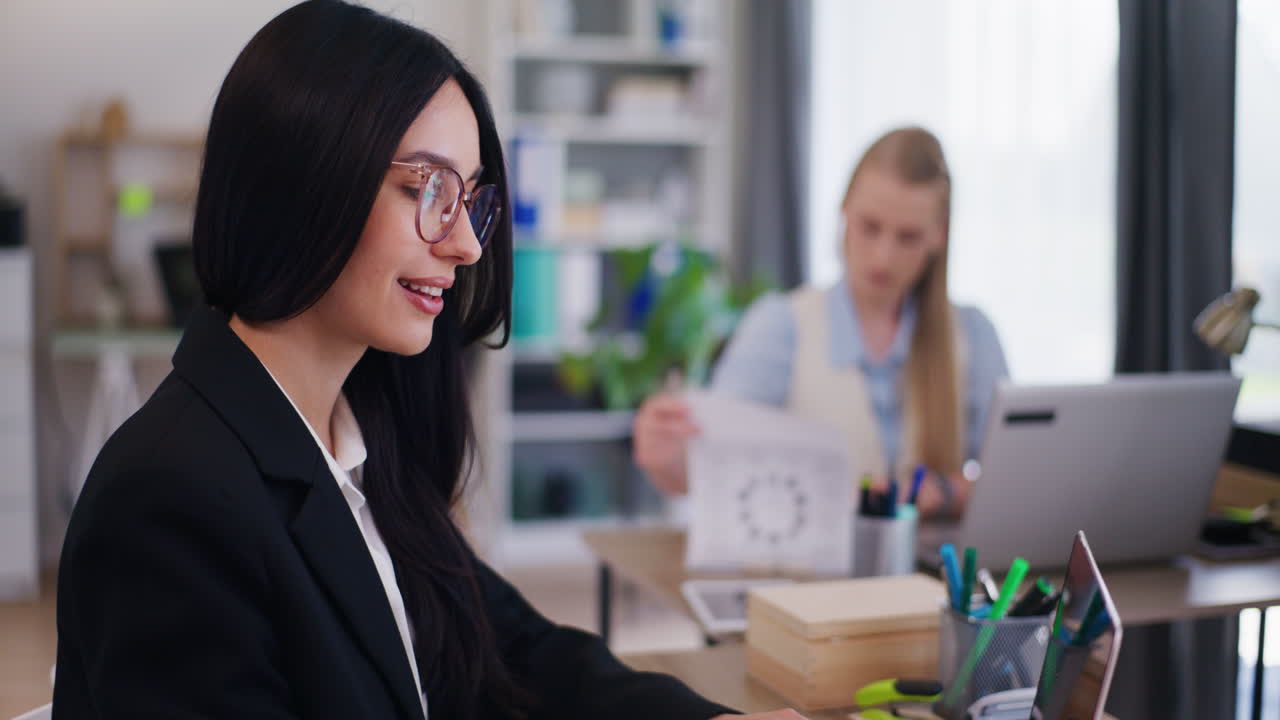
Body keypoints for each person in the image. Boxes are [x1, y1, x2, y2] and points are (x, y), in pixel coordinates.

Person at [52, 3, 806, 719]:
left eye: (469, 198)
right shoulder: (170, 500)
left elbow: (509, 651)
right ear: (305, 182)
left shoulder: (361, 441)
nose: (467, 245)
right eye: (426, 188)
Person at [634, 127, 1009, 518]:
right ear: (843, 211)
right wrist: (666, 457)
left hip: (934, 575)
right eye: (870, 227)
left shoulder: (972, 336)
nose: (883, 257)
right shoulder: (781, 326)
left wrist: (945, 492)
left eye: (908, 237)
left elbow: (1012, 478)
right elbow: (709, 470)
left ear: (939, 237)